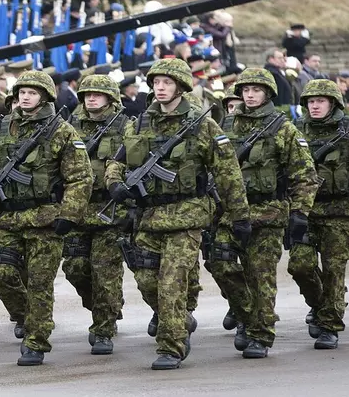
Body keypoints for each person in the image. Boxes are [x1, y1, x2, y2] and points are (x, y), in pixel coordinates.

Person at [106, 58, 251, 370]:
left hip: (187, 216)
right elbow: (117, 161)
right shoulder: (139, 124)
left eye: (167, 83)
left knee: (171, 283)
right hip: (148, 217)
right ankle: (180, 319)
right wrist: (114, 183)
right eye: (156, 83)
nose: (160, 88)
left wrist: (239, 215)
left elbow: (228, 173)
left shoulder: (202, 125)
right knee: (146, 282)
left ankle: (171, 347)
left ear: (181, 87)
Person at [0, 70, 92, 366]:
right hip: (8, 217)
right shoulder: (2, 127)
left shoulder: (61, 130)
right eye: (22, 92)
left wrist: (69, 214)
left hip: (44, 219)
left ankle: (36, 341)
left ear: (45, 97)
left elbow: (80, 177)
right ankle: (27, 316)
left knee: (39, 283)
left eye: (32, 93)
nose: (25, 97)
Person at [216, 68, 318, 359]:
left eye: (256, 90)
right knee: (220, 264)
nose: (250, 95)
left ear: (268, 94)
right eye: (245, 90)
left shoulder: (283, 128)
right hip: (232, 212)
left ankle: (260, 334)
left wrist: (300, 212)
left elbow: (304, 174)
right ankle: (247, 317)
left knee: (261, 276)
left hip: (268, 213)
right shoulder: (227, 125)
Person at [290, 79, 349, 350]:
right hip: (305, 211)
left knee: (334, 270)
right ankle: (319, 304)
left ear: (333, 103)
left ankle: (329, 326)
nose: (315, 106)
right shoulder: (296, 130)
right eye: (311, 101)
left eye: (320, 101)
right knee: (299, 266)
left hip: (340, 213)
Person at [64, 75, 132, 355]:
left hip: (109, 211)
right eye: (87, 94)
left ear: (110, 98)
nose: (91, 98)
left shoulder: (125, 126)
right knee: (75, 269)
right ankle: (106, 306)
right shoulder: (68, 127)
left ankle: (104, 328)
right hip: (77, 209)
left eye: (98, 94)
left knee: (105, 272)